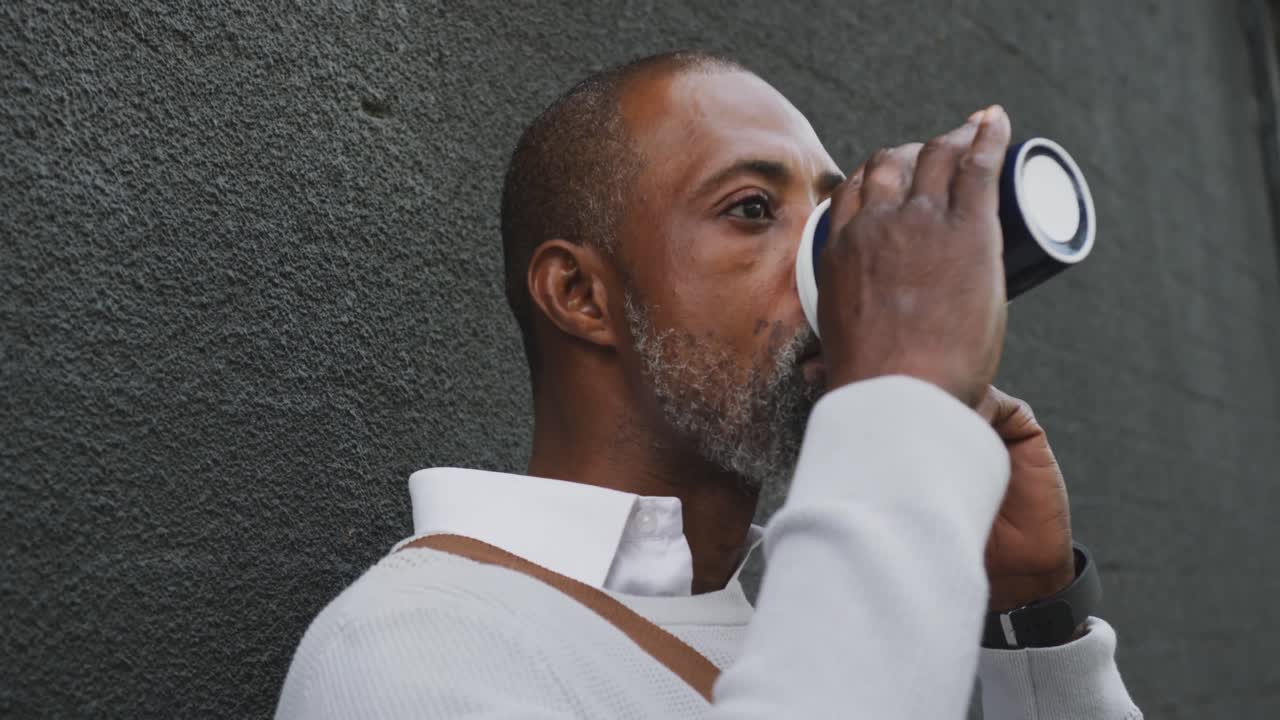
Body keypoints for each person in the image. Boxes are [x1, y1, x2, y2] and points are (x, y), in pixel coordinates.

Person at [276, 50, 1142, 719]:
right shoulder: (413, 646)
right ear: (581, 296)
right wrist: (900, 414)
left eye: (834, 212)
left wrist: (1031, 628)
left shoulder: (805, 595)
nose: (836, 266)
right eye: (754, 210)